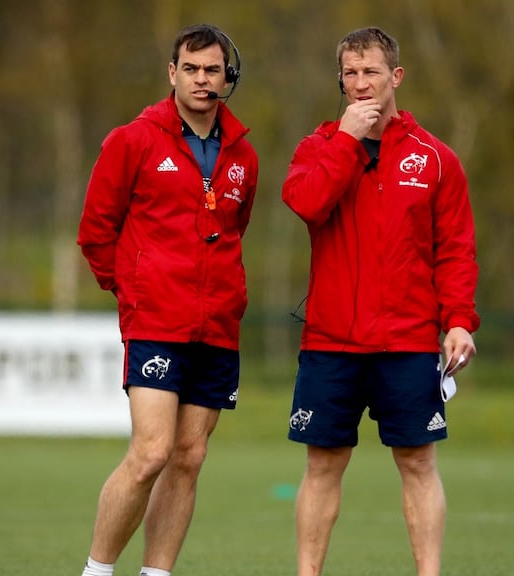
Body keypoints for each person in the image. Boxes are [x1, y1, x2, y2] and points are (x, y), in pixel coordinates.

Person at [281, 26, 479, 576]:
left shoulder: (436, 158)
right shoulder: (316, 149)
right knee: (323, 465)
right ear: (340, 80)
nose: (360, 83)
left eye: (371, 72)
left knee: (418, 462)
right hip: (331, 341)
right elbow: (308, 204)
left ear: (395, 76)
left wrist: (459, 320)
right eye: (350, 73)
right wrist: (346, 140)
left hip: (409, 341)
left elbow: (456, 250)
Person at [76, 24, 258, 576]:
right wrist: (133, 290)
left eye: (213, 70)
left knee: (189, 458)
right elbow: (95, 232)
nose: (203, 80)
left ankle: (156, 574)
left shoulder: (243, 154)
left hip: (218, 324)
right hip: (156, 319)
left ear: (228, 76)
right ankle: (97, 570)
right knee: (152, 451)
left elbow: (234, 229)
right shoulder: (131, 140)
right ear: (172, 73)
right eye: (192, 69)